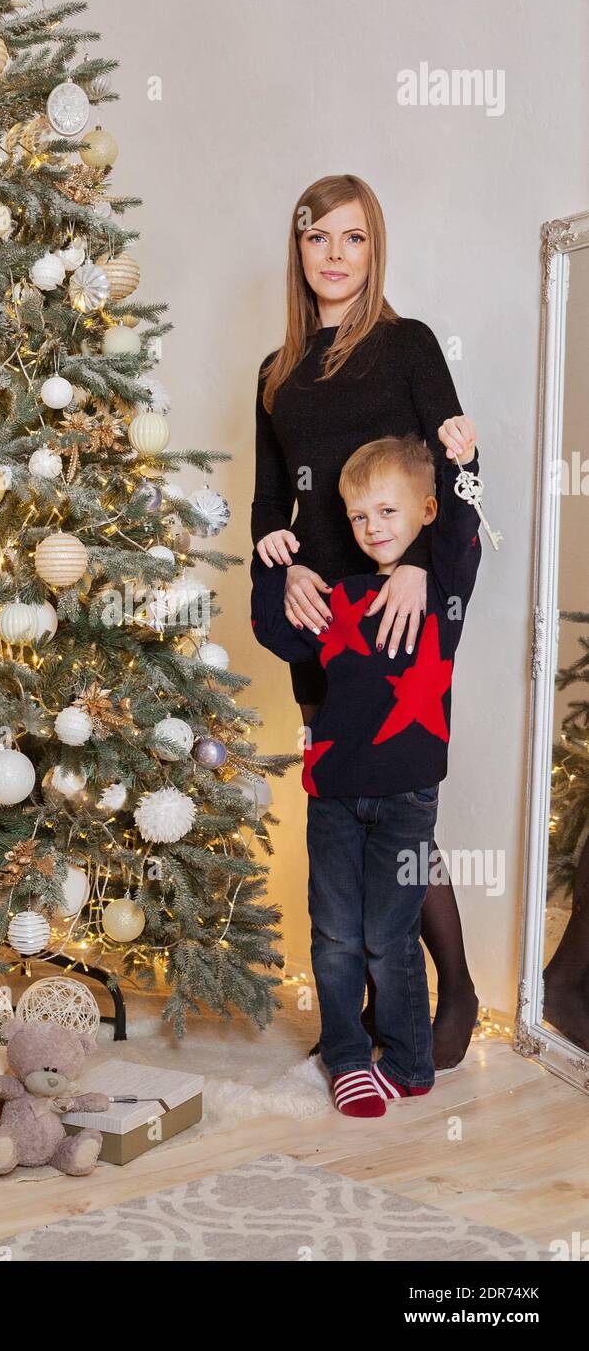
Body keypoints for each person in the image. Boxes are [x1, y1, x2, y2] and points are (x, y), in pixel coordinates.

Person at [253, 172, 479, 1069]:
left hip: (398, 604)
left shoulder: (409, 345)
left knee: (400, 802)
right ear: (299, 250)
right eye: (319, 239)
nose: (335, 256)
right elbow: (271, 505)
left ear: (374, 248)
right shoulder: (276, 373)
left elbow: (457, 472)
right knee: (345, 803)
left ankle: (452, 985)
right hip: (322, 616)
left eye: (353, 239)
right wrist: (288, 569)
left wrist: (421, 568)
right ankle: (360, 1021)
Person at [251, 423, 482, 1115]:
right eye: (359, 516)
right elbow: (272, 628)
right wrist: (274, 564)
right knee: (336, 938)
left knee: (390, 938)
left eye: (388, 512)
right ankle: (349, 1057)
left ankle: (411, 1064)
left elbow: (464, 528)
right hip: (333, 801)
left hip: (408, 798)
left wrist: (463, 463)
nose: (372, 527)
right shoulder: (340, 598)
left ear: (424, 512)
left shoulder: (440, 588)